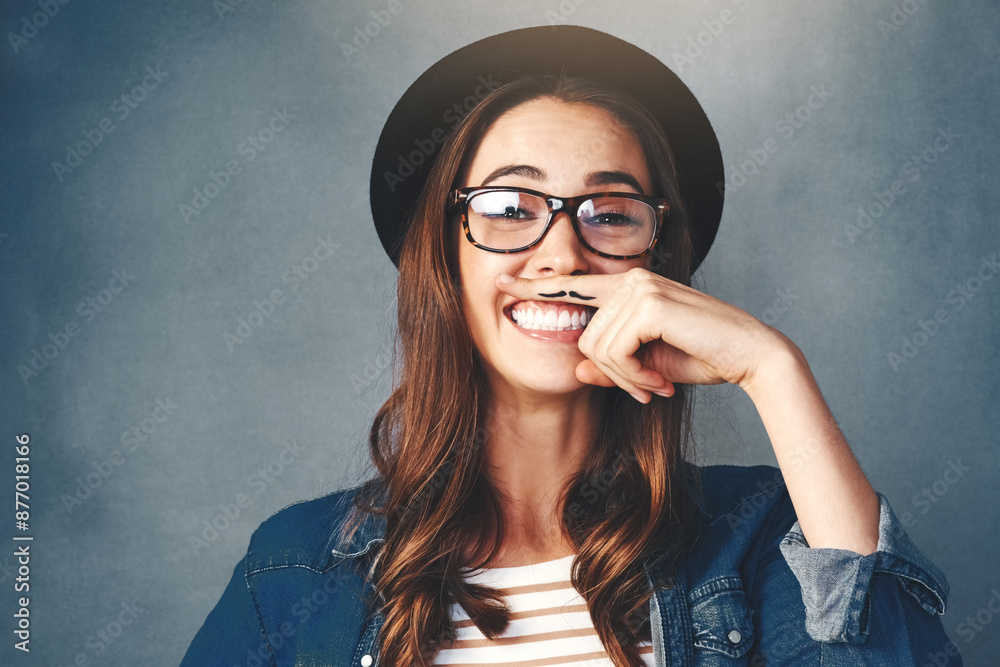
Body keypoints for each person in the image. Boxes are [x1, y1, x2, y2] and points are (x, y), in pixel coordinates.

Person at [181, 26, 961, 666]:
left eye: (610, 212)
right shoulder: (293, 570)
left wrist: (773, 368)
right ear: (445, 261)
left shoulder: (758, 537)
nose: (561, 254)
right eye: (511, 206)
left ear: (658, 264)